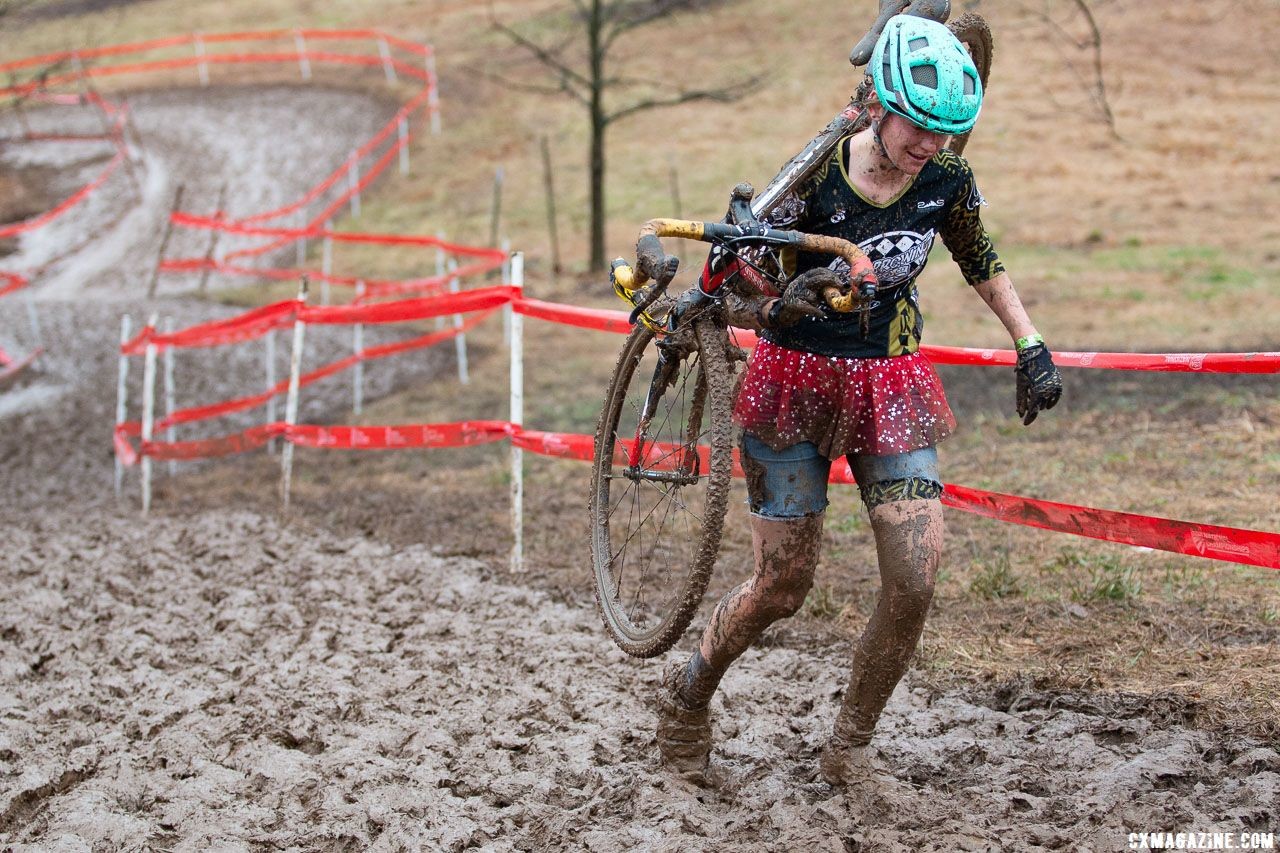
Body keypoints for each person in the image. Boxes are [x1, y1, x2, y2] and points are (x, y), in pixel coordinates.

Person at [655, 14, 1063, 787]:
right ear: (881, 105)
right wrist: (781, 295)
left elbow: (979, 257)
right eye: (919, 128)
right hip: (793, 388)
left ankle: (850, 747)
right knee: (783, 585)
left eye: (947, 134)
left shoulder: (945, 179)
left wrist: (1029, 342)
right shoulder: (815, 176)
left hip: (890, 384)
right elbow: (734, 273)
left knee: (915, 577)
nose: (929, 147)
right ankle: (687, 695)